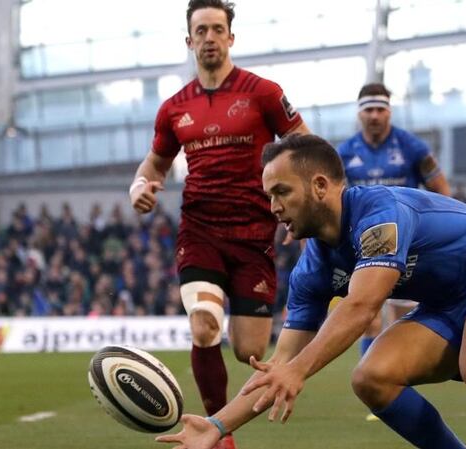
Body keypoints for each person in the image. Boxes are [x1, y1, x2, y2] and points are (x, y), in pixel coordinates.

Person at [156, 134, 466, 449]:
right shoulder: (312, 269)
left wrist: (298, 371)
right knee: (371, 378)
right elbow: (280, 367)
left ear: (319, 186)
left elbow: (363, 305)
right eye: (269, 196)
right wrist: (217, 425)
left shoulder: (379, 214)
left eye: (281, 192)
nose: (273, 207)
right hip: (446, 304)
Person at [129, 1, 310, 448]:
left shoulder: (263, 92)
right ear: (189, 41)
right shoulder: (174, 108)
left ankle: (220, 421)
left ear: (231, 37)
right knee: (204, 324)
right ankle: (217, 433)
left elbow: (306, 147)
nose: (209, 38)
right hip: (200, 232)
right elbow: (154, 165)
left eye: (216, 29)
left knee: (250, 350)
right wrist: (139, 187)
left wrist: (303, 207)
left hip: (254, 237)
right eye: (201, 31)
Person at [336, 83, 451, 369]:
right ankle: (370, 377)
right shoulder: (344, 154)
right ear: (359, 114)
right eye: (369, 110)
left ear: (389, 112)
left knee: (403, 318)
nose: (374, 116)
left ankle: (396, 377)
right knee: (368, 315)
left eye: (380, 109)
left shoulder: (413, 148)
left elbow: (441, 191)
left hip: (409, 241)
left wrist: (441, 232)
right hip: (364, 243)